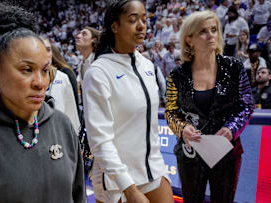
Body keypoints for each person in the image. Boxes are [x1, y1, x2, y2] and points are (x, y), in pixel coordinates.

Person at [0, 2, 85, 203]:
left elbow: (77, 195)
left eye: (45, 70)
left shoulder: (62, 125)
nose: (40, 82)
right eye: (27, 69)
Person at [83, 1, 174, 203]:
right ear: (115, 27)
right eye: (133, 20)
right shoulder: (98, 73)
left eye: (144, 19)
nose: (141, 25)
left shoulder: (148, 65)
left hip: (153, 171)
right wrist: (129, 189)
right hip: (116, 180)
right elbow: (100, 140)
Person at [165, 10, 254, 203]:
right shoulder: (177, 75)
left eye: (214, 30)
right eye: (203, 31)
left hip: (226, 151)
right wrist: (182, 129)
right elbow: (170, 112)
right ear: (189, 39)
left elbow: (246, 106)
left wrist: (231, 128)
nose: (211, 35)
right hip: (190, 154)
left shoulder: (235, 67)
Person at [41, 37, 80, 132]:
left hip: (60, 134)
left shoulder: (63, 77)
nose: (46, 53)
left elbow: (72, 114)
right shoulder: (25, 79)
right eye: (42, 49)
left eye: (48, 49)